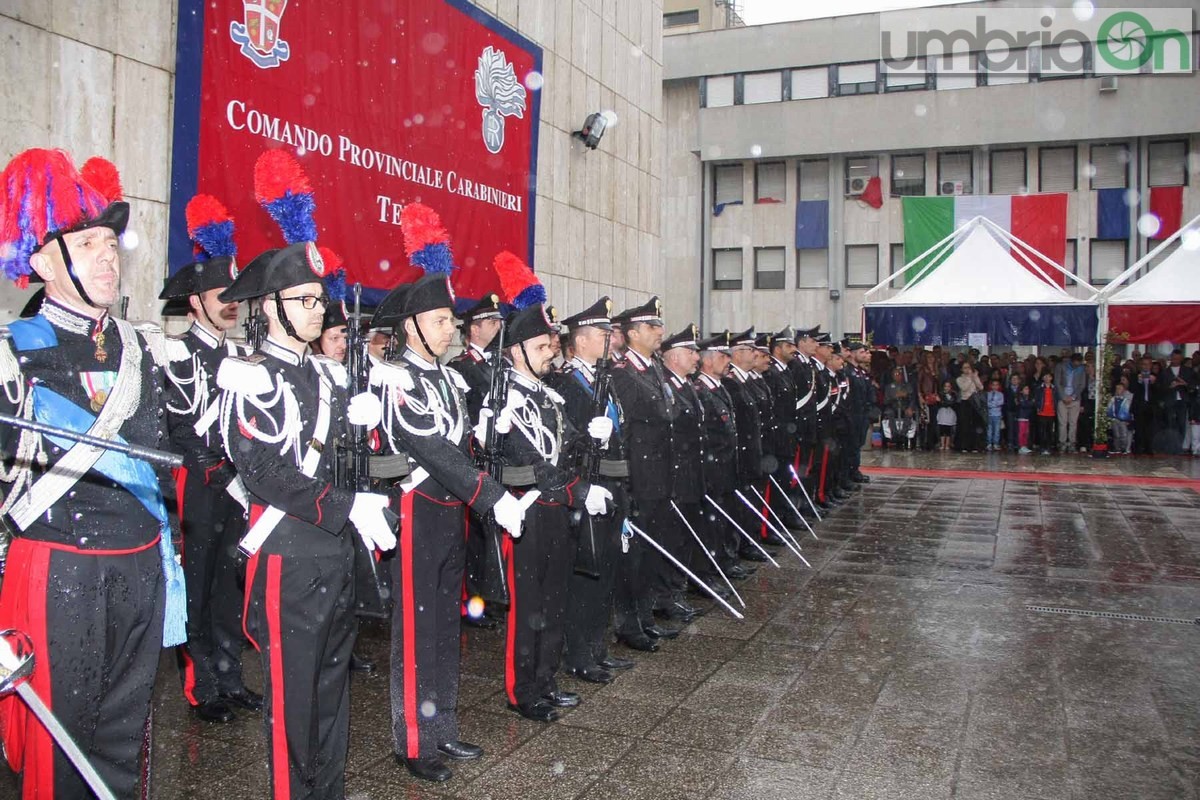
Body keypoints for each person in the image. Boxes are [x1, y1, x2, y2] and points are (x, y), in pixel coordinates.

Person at [0, 149, 186, 800]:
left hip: (138, 568)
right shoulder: (12, 355)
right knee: (60, 754)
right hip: (60, 574)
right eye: (87, 242)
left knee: (122, 741)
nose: (108, 255)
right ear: (45, 260)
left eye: (112, 241)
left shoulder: (137, 348)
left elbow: (163, 465)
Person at [160, 194, 260, 725]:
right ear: (195, 301)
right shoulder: (180, 352)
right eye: (219, 294)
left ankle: (230, 676)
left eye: (234, 295)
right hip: (198, 480)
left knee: (228, 583)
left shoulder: (241, 354)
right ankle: (201, 686)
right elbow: (176, 426)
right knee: (198, 584)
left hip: (236, 483)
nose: (230, 303)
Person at [494, 303, 612, 722]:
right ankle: (521, 690)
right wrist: (579, 490)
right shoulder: (501, 397)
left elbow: (570, 447)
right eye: (543, 346)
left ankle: (546, 679)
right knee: (528, 606)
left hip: (558, 511)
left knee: (554, 601)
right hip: (526, 512)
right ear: (518, 349)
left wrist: (594, 438)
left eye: (552, 345)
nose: (551, 352)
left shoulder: (550, 395)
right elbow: (532, 463)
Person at [547, 298, 635, 685]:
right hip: (587, 482)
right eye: (602, 334)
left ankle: (597, 647)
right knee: (587, 570)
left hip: (612, 482)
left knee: (607, 568)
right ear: (580, 341)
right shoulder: (565, 381)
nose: (610, 339)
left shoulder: (605, 377)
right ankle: (579, 652)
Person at [608, 297, 672, 649]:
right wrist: (626, 484)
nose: (659, 331)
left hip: (659, 477)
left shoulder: (654, 368)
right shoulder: (624, 375)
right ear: (632, 333)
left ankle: (645, 616)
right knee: (633, 557)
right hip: (638, 478)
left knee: (651, 553)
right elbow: (624, 434)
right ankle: (629, 624)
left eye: (659, 326)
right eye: (652, 327)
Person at [445, 293, 505, 631]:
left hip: (497, 459)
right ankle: (473, 604)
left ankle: (489, 595)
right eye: (491, 322)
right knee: (476, 539)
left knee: (491, 533)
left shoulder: (498, 365)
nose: (498, 327)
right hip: (476, 459)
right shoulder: (462, 367)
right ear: (473, 329)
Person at [1054, 353, 1087, 453]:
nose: (1077, 364)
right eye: (1076, 362)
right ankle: (1062, 443)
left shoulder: (1081, 369)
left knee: (1073, 423)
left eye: (1079, 363)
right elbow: (1057, 382)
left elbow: (1082, 384)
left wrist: (1072, 397)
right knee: (1062, 422)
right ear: (1071, 361)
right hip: (1062, 398)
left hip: (1075, 399)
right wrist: (1063, 396)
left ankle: (1072, 443)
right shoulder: (1061, 366)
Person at [1132, 357, 1158, 454]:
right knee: (1139, 429)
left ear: (1151, 366)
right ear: (1140, 365)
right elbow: (1131, 389)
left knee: (1150, 429)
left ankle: (1149, 448)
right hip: (1139, 405)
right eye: (1144, 364)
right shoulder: (1135, 376)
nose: (1146, 366)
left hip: (1150, 406)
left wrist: (1154, 383)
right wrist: (1139, 382)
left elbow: (1160, 391)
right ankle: (1138, 448)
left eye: (1148, 364)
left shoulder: (1155, 376)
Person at [955, 363, 984, 452]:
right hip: (965, 402)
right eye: (965, 368)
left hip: (975, 402)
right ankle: (964, 446)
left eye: (968, 367)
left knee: (975, 424)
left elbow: (981, 387)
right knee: (965, 424)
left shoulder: (974, 377)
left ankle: (975, 446)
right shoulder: (959, 379)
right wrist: (970, 378)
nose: (967, 369)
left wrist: (975, 377)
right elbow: (964, 388)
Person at [1034, 372, 1059, 455]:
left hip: (1051, 412)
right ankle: (1042, 447)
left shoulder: (1054, 388)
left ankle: (1048, 447)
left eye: (1049, 376)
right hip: (1042, 412)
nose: (1047, 378)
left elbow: (1056, 399)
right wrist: (1038, 407)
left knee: (1050, 431)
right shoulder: (1039, 388)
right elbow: (1037, 399)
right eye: (1045, 376)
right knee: (1042, 431)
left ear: (1051, 378)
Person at [1107, 381, 1134, 455]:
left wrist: (1128, 419)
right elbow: (1110, 408)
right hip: (1115, 419)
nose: (1118, 390)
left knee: (1124, 434)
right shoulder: (1113, 399)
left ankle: (1124, 448)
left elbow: (1127, 409)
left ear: (1124, 390)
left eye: (1120, 389)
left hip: (1123, 419)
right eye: (1117, 389)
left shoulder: (1127, 400)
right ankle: (1117, 448)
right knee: (1116, 434)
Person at [1004, 373, 1024, 452]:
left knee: (1018, 428)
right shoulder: (1007, 390)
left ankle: (1017, 443)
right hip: (1010, 410)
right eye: (1012, 379)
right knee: (1010, 427)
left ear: (1019, 380)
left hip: (1020, 411)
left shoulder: (1021, 390)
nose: (1014, 380)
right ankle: (1010, 443)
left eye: (1016, 379)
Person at [936, 381, 958, 450]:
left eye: (948, 386)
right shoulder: (940, 394)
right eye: (945, 386)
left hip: (950, 412)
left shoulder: (953, 394)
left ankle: (947, 444)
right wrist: (943, 402)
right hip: (942, 412)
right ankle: (942, 444)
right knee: (942, 428)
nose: (947, 388)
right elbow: (940, 403)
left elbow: (952, 403)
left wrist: (943, 402)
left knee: (948, 429)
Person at [985, 379, 1005, 451]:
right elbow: (987, 403)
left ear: (998, 386)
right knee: (989, 430)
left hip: (997, 414)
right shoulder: (988, 394)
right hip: (990, 414)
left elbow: (1001, 403)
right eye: (993, 385)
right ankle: (989, 443)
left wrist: (993, 404)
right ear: (991, 386)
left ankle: (996, 443)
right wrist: (994, 404)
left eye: (996, 385)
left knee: (997, 430)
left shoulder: (1001, 394)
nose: (995, 386)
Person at [1016, 384, 1036, 454]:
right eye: (1025, 389)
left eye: (1028, 389)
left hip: (1027, 417)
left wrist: (1030, 403)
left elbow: (1032, 404)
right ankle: (1021, 446)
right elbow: (1024, 405)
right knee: (1021, 433)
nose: (1027, 390)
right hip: (1021, 417)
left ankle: (1024, 446)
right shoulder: (1020, 397)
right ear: (1021, 391)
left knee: (1026, 433)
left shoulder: (1029, 397)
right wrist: (1030, 403)